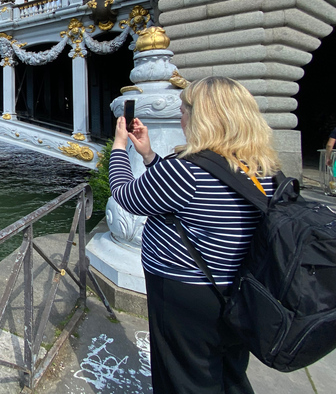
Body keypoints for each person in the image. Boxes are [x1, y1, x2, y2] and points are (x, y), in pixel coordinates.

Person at [109, 76, 280, 394]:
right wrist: (149, 156)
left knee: (184, 379)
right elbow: (182, 199)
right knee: (230, 372)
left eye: (185, 109)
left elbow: (125, 195)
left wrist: (119, 146)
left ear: (203, 118)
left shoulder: (187, 171)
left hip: (185, 293)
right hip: (238, 291)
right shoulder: (264, 168)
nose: (180, 116)